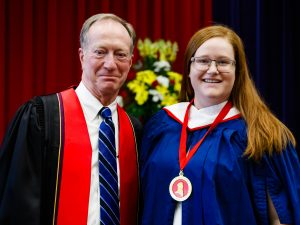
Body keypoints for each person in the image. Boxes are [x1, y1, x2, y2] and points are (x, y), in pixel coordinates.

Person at [139, 24, 300, 225]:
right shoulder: (162, 125)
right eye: (203, 61)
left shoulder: (261, 132)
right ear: (189, 69)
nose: (212, 70)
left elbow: (279, 217)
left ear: (237, 71)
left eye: (223, 62)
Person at [0, 13, 142, 225]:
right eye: (100, 52)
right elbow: (17, 207)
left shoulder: (134, 130)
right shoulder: (43, 117)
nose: (110, 64)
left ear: (130, 62)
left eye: (120, 54)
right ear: (82, 56)